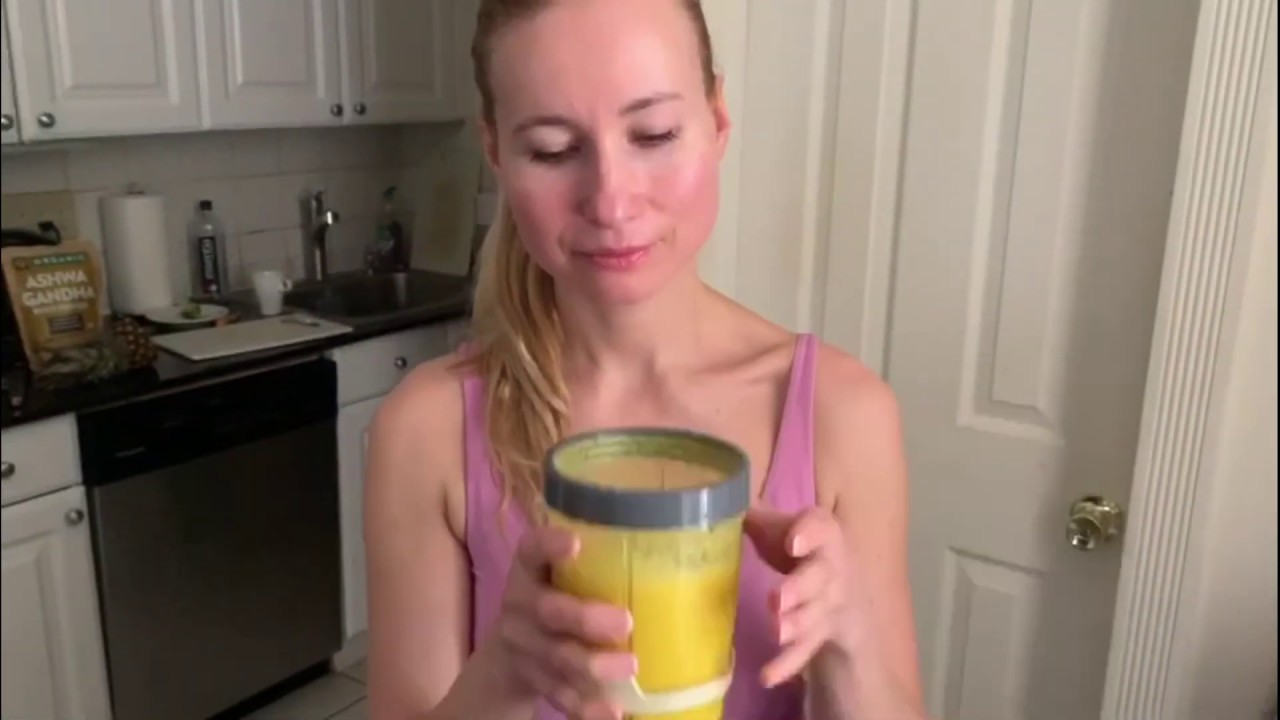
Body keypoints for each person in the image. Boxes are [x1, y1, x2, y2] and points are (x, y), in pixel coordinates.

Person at [363, 1, 928, 718]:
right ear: (496, 152)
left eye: (654, 134)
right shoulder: (426, 430)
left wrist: (849, 646)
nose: (611, 201)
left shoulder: (843, 414)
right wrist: (501, 677)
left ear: (717, 121)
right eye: (553, 151)